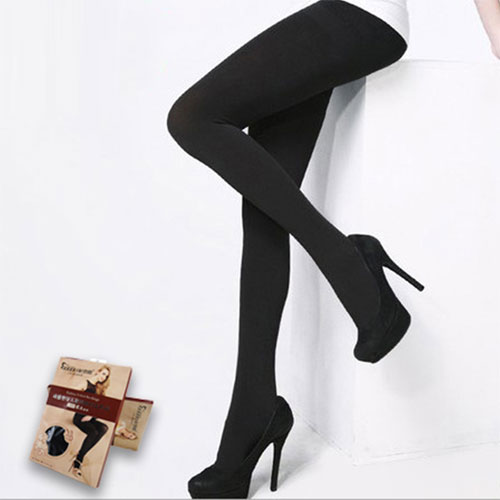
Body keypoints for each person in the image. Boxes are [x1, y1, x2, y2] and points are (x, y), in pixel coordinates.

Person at [166, 1, 424, 497]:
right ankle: (251, 417)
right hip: (339, 15)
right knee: (266, 209)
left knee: (192, 117)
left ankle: (351, 268)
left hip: (363, 13)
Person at [70, 365, 110, 479]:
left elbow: (100, 406)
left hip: (90, 417)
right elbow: (71, 395)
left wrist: (91, 415)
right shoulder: (85, 383)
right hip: (80, 417)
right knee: (93, 432)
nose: (104, 377)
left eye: (106, 376)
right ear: (98, 371)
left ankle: (80, 454)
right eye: (103, 374)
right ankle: (78, 462)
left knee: (104, 428)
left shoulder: (100, 388)